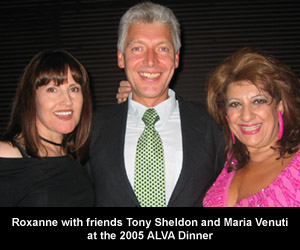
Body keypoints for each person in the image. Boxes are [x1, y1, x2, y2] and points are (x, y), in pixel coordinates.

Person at [87, 1, 225, 207]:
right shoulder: (90, 128)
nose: (150, 61)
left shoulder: (213, 123)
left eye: (162, 48)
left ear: (176, 58)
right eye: (137, 48)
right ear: (121, 57)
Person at [203, 47, 300, 207]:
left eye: (258, 101)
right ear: (226, 115)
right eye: (235, 104)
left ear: (280, 106)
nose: (246, 115)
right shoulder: (230, 165)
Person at [0, 49, 94, 207]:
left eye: (74, 89)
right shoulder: (7, 154)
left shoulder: (73, 156)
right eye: (53, 89)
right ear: (31, 98)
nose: (67, 101)